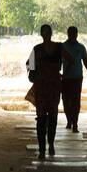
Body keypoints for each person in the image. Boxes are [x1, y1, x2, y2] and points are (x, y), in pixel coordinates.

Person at [26, 24, 65, 158]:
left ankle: (51, 143)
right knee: (41, 118)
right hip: (42, 86)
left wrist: (62, 74)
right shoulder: (37, 49)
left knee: (53, 117)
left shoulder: (59, 47)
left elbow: (70, 60)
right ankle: (42, 149)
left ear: (51, 33)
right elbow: (29, 65)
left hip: (53, 86)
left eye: (48, 32)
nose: (46, 34)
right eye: (44, 32)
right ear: (42, 34)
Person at [60, 26, 87, 131]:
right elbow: (58, 63)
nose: (72, 35)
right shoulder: (62, 47)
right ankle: (69, 121)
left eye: (74, 33)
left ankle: (75, 123)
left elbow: (86, 63)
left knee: (75, 102)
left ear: (77, 34)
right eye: (70, 33)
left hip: (77, 78)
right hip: (66, 79)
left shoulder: (81, 48)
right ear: (67, 34)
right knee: (66, 100)